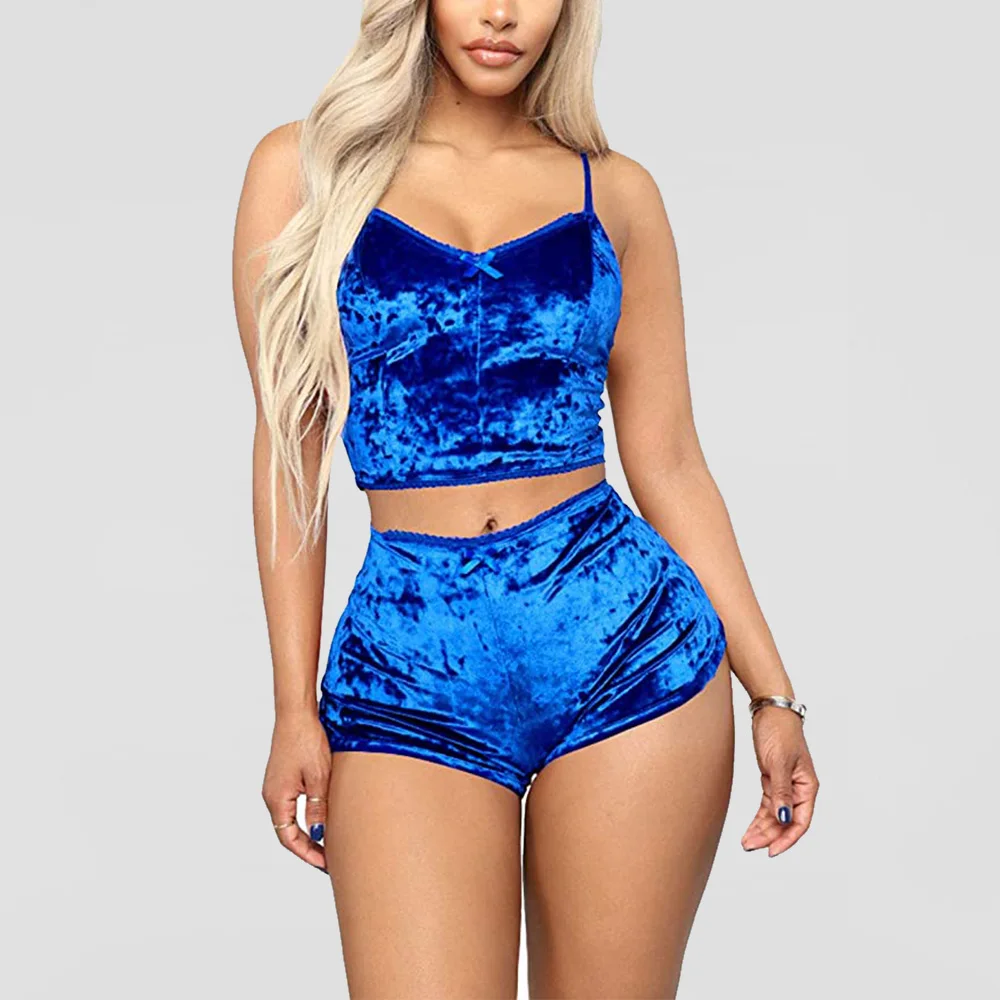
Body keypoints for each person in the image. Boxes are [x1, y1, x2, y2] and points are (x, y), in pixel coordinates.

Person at [231, 1, 819, 996]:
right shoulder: (302, 170)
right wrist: (293, 707)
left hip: (628, 655)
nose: (502, 12)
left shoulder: (616, 192)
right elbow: (290, 454)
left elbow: (670, 461)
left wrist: (771, 692)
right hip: (409, 670)